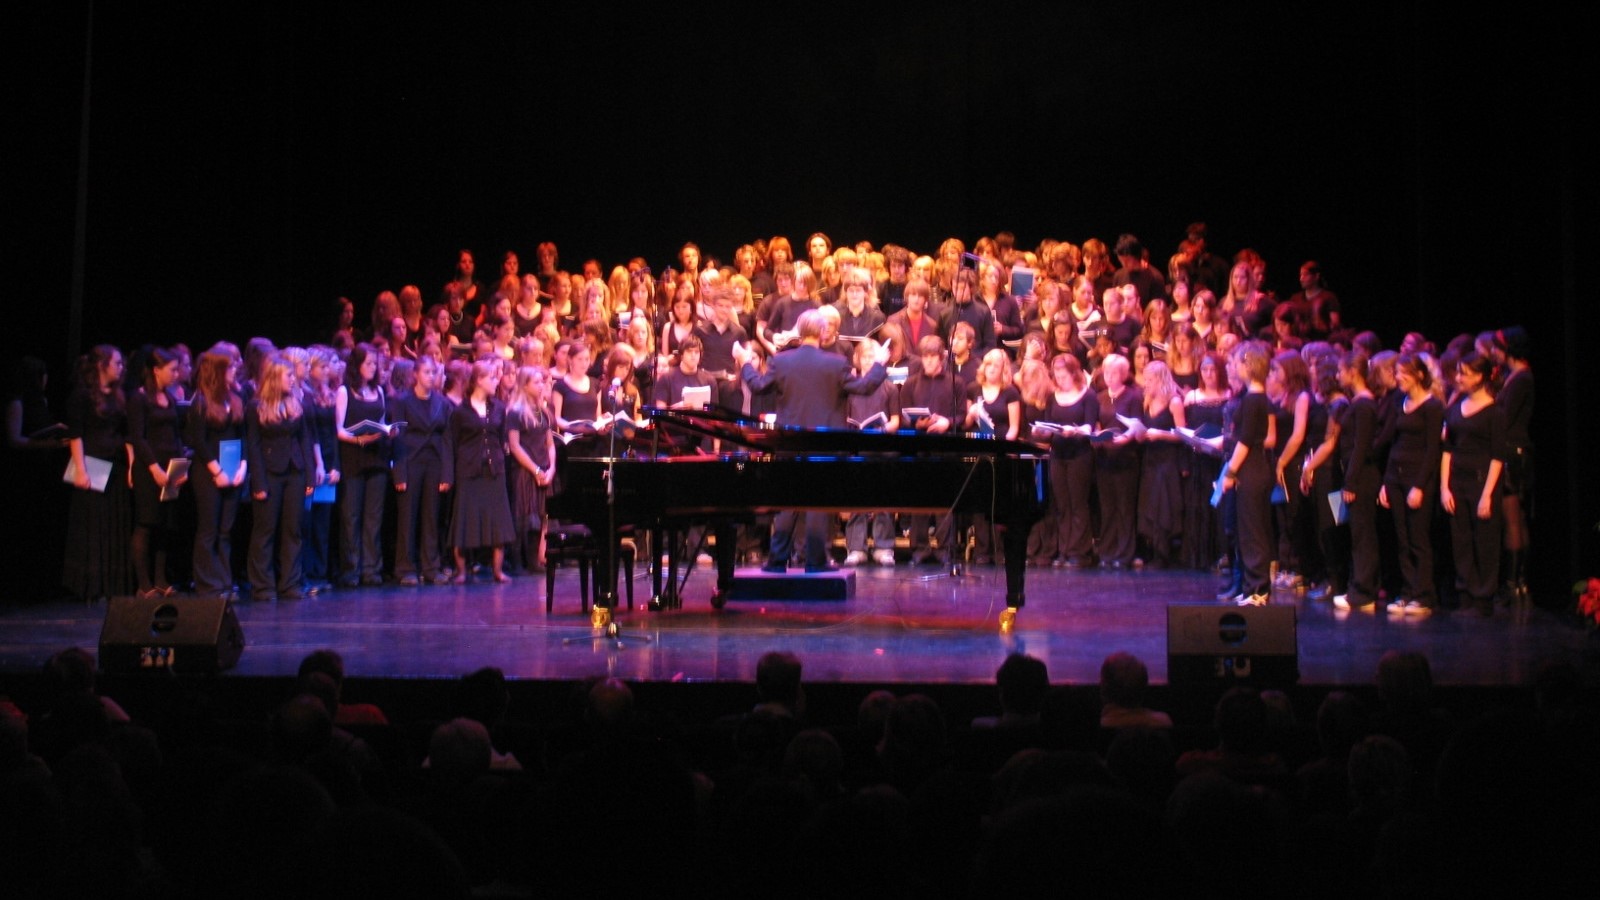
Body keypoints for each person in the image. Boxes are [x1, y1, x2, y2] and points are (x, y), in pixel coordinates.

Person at [735, 309, 888, 571]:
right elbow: (864, 388)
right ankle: (816, 561)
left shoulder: (781, 361)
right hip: (824, 445)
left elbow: (758, 386)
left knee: (786, 503)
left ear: (799, 330)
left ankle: (777, 560)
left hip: (789, 444)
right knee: (817, 502)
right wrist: (880, 363)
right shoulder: (836, 363)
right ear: (822, 332)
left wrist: (745, 362)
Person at [63, 345, 133, 601]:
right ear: (102, 365)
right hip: (93, 465)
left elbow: (126, 435)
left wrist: (132, 465)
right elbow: (76, 436)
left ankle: (112, 584)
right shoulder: (82, 396)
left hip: (116, 466)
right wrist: (81, 471)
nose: (121, 367)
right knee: (95, 526)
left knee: (114, 524)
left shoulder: (118, 395)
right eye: (116, 362)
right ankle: (92, 586)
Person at [1441, 352, 1506, 617]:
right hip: (1458, 482)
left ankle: (1483, 598)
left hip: (1482, 483)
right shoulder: (1456, 408)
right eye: (1458, 372)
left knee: (1485, 542)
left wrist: (1487, 495)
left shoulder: (1494, 412)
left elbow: (1498, 456)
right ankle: (1466, 593)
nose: (1458, 378)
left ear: (1480, 377)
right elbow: (1447, 449)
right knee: (1462, 540)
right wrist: (1445, 487)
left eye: (1464, 373)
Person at [245, 354, 314, 601]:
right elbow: (252, 446)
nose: (294, 380)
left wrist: (310, 477)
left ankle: (290, 582)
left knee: (292, 529)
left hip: (295, 471)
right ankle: (263, 585)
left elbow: (304, 439)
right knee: (265, 530)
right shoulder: (256, 407)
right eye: (289, 376)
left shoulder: (297, 404)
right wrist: (259, 482)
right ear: (275, 378)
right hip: (270, 473)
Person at [1379, 353, 1443, 616]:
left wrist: (1419, 485)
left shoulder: (1432, 406)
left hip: (1418, 480)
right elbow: (1395, 444)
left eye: (1403, 373)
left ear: (1418, 375)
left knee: (1418, 538)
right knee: (1402, 539)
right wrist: (1385, 483)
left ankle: (1424, 595)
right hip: (1396, 478)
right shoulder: (1400, 403)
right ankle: (1407, 592)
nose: (1398, 378)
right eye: (1396, 373)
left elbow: (1432, 450)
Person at [186, 344, 248, 599]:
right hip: (209, 473)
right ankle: (207, 583)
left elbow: (242, 435)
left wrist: (242, 466)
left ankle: (224, 580)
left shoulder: (234, 399)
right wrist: (216, 471)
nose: (235, 370)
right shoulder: (200, 402)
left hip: (233, 472)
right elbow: (198, 441)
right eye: (230, 367)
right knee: (209, 529)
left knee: (226, 530)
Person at [126, 347, 187, 598]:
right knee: (146, 524)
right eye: (172, 370)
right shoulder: (139, 398)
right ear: (156, 370)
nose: (176, 374)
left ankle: (161, 580)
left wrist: (181, 467)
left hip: (170, 470)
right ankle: (144, 584)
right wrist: (155, 469)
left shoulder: (169, 398)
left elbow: (176, 435)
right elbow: (137, 438)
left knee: (165, 525)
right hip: (149, 470)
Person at [449, 359, 515, 584]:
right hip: (469, 470)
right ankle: (461, 572)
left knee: (498, 523)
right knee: (464, 522)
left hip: (494, 469)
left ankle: (497, 570)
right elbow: (452, 443)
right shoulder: (460, 411)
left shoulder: (499, 408)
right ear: (479, 380)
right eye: (492, 378)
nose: (496, 382)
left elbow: (502, 436)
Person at [389, 355, 453, 586]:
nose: (431, 376)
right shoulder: (402, 401)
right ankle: (405, 567)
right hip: (410, 462)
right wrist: (400, 473)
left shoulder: (442, 403)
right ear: (415, 374)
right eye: (426, 372)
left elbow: (447, 439)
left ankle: (430, 567)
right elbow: (398, 438)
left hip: (433, 463)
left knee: (431, 516)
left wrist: (447, 473)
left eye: (434, 372)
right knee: (408, 517)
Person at [1219, 343, 1275, 606]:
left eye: (1238, 363)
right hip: (1253, 469)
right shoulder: (1255, 398)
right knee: (1247, 531)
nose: (1235, 367)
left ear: (1249, 365)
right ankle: (1252, 586)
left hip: (1251, 470)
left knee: (1253, 532)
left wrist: (1229, 472)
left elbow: (1245, 441)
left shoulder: (1254, 400)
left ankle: (1259, 590)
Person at [335, 343, 391, 588]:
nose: (373, 367)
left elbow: (381, 421)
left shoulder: (378, 391)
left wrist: (387, 431)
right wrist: (359, 439)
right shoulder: (345, 392)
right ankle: (351, 570)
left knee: (373, 518)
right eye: (368, 363)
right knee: (351, 516)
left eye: (375, 363)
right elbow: (338, 429)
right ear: (357, 365)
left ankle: (371, 569)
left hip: (376, 458)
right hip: (353, 458)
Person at [842, 338, 901, 567]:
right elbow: (845, 418)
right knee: (858, 499)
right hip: (859, 447)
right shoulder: (852, 387)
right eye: (865, 357)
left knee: (883, 499)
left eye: (872, 357)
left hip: (883, 448)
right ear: (858, 359)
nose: (868, 361)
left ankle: (883, 546)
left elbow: (896, 420)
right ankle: (856, 547)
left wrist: (884, 428)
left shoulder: (888, 386)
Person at [1333, 352, 1383, 612]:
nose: (1338, 376)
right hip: (1355, 476)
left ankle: (1364, 592)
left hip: (1362, 479)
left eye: (1341, 371)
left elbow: (1361, 447)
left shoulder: (1365, 405)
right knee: (1357, 534)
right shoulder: (1358, 403)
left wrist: (1350, 483)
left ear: (1354, 371)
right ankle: (1359, 587)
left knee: (1363, 536)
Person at [1040, 353, 1099, 567]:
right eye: (1056, 374)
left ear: (1073, 373)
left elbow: (1089, 426)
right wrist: (1042, 430)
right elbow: (1048, 425)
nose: (1060, 378)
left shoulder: (1088, 395)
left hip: (1079, 454)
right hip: (1058, 453)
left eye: (1063, 375)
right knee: (1063, 504)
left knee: (1078, 503)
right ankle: (1064, 549)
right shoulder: (1052, 396)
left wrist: (1075, 430)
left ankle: (1079, 551)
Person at [1093, 354, 1143, 570]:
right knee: (1108, 507)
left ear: (1123, 375)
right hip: (1104, 458)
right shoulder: (1100, 396)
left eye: (1114, 373)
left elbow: (1137, 426)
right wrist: (1097, 434)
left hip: (1125, 459)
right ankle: (1107, 551)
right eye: (1107, 373)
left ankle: (1124, 554)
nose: (1110, 377)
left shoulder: (1133, 397)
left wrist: (1126, 438)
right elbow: (1096, 421)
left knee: (1124, 507)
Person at [1136, 360, 1186, 569]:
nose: (1146, 384)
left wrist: (1161, 434)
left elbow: (1183, 434)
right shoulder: (1147, 400)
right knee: (1150, 504)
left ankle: (1164, 554)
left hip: (1168, 460)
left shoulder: (1174, 401)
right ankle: (1154, 550)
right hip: (1151, 458)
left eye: (1149, 380)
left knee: (1163, 505)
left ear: (1160, 379)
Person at [506, 365, 556, 574]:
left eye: (541, 382)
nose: (541, 385)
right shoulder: (516, 413)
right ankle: (518, 562)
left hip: (543, 469)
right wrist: (535, 470)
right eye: (536, 382)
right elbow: (515, 446)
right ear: (524, 386)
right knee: (523, 516)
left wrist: (551, 468)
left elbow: (550, 443)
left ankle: (534, 560)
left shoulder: (543, 411)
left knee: (541, 515)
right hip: (525, 472)